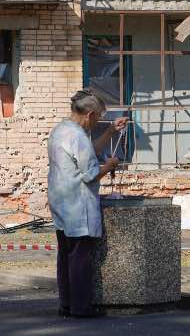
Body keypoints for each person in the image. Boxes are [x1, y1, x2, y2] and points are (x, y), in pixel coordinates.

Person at [47, 89, 129, 318]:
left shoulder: (61, 130)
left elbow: (88, 153)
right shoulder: (78, 137)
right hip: (77, 204)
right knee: (80, 258)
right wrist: (110, 165)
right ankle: (81, 308)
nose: (97, 122)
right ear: (89, 114)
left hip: (61, 200)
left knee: (66, 255)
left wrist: (111, 131)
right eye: (98, 117)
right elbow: (90, 173)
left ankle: (66, 304)